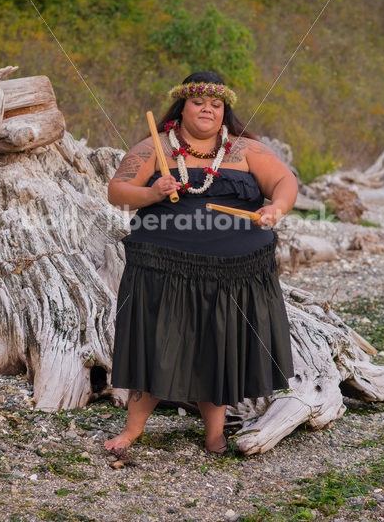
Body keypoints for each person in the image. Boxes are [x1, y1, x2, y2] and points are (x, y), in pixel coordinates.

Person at [105, 71, 298, 455]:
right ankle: (133, 429)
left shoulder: (246, 151)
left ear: (224, 111)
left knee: (218, 345)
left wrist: (275, 209)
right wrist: (151, 191)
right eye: (199, 102)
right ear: (183, 106)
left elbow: (285, 182)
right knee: (157, 344)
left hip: (233, 271)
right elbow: (116, 191)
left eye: (216, 104)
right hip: (164, 266)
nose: (207, 109)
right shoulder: (156, 147)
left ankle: (214, 434)